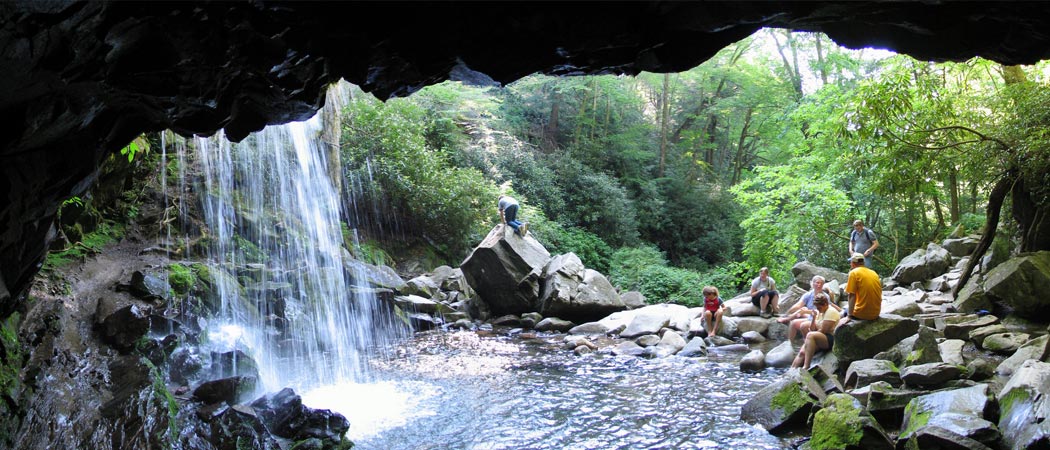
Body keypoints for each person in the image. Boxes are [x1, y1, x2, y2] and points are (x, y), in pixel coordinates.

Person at [778, 275, 842, 341]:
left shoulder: (825, 296)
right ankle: (789, 343)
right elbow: (798, 305)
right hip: (811, 315)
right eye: (817, 283)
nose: (819, 285)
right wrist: (789, 312)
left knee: (802, 321)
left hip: (819, 318)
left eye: (821, 283)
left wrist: (806, 311)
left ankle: (806, 341)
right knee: (795, 320)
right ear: (813, 283)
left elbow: (825, 309)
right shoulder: (808, 295)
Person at [792, 293, 840, 370]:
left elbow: (823, 331)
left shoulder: (831, 312)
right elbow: (812, 328)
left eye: (819, 307)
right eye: (817, 307)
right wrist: (814, 318)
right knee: (802, 352)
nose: (818, 309)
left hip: (830, 338)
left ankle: (806, 366)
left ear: (825, 304)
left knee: (810, 336)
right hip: (820, 336)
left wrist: (809, 341)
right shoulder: (821, 311)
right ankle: (791, 372)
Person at [841, 252, 882, 325]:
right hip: (876, 313)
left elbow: (851, 295)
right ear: (863, 263)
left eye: (851, 262)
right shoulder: (873, 272)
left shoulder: (854, 273)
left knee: (843, 313)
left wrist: (849, 316)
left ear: (853, 263)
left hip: (862, 314)